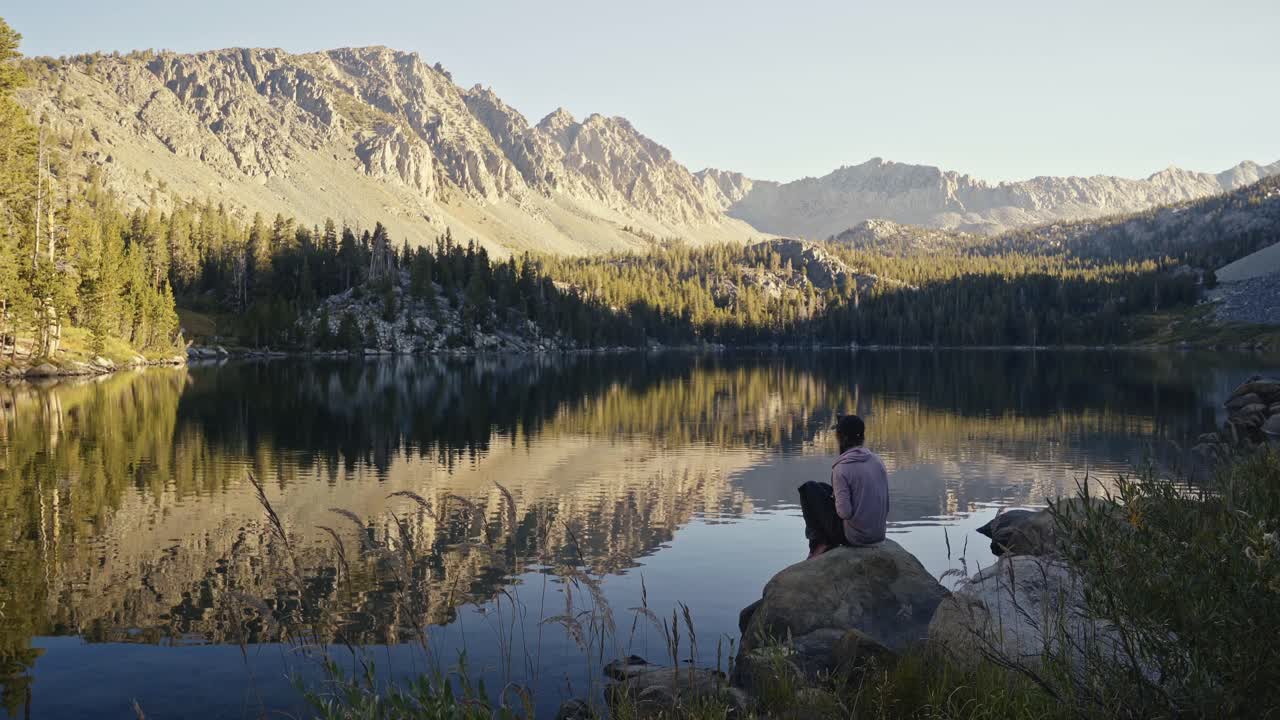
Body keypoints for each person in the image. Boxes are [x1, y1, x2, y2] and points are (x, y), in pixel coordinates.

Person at [798, 414, 889, 559]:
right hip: (878, 534)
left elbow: (844, 513)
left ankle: (819, 543)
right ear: (862, 436)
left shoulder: (842, 468)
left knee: (808, 489)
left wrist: (836, 503)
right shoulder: (877, 461)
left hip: (856, 538)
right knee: (822, 488)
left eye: (837, 434)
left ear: (843, 438)